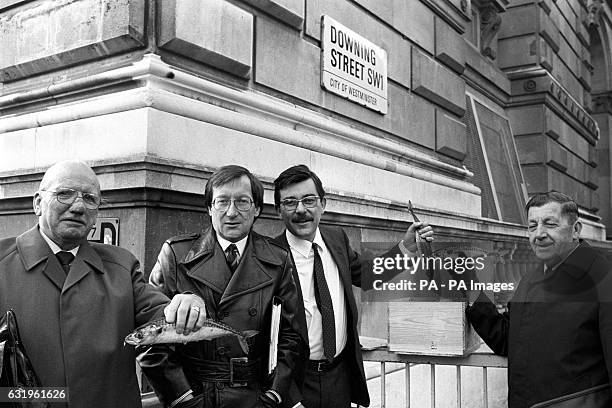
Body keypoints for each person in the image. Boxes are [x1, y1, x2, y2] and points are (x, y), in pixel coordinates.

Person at [0, 160, 206, 408]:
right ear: (37, 203)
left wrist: (188, 302)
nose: (78, 207)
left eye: (89, 198)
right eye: (64, 194)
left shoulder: (121, 265)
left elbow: (162, 316)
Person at [272, 165, 434, 408]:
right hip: (295, 386)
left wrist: (406, 248)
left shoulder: (336, 238)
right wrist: (286, 396)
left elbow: (367, 275)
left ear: (323, 204)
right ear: (278, 210)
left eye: (309, 200)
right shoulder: (268, 256)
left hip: (339, 379)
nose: (301, 210)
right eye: (290, 202)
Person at [141, 165, 302, 408]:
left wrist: (275, 395)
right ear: (209, 208)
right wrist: (182, 398)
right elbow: (150, 335)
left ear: (257, 208)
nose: (231, 212)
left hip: (256, 397)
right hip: (197, 395)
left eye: (243, 202)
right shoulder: (176, 255)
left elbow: (292, 335)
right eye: (222, 202)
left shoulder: (278, 259)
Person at [467, 191, 612, 407]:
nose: (539, 234)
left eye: (550, 224)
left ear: (575, 230)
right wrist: (471, 290)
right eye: (532, 225)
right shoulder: (530, 279)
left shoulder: (604, 280)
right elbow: (509, 339)